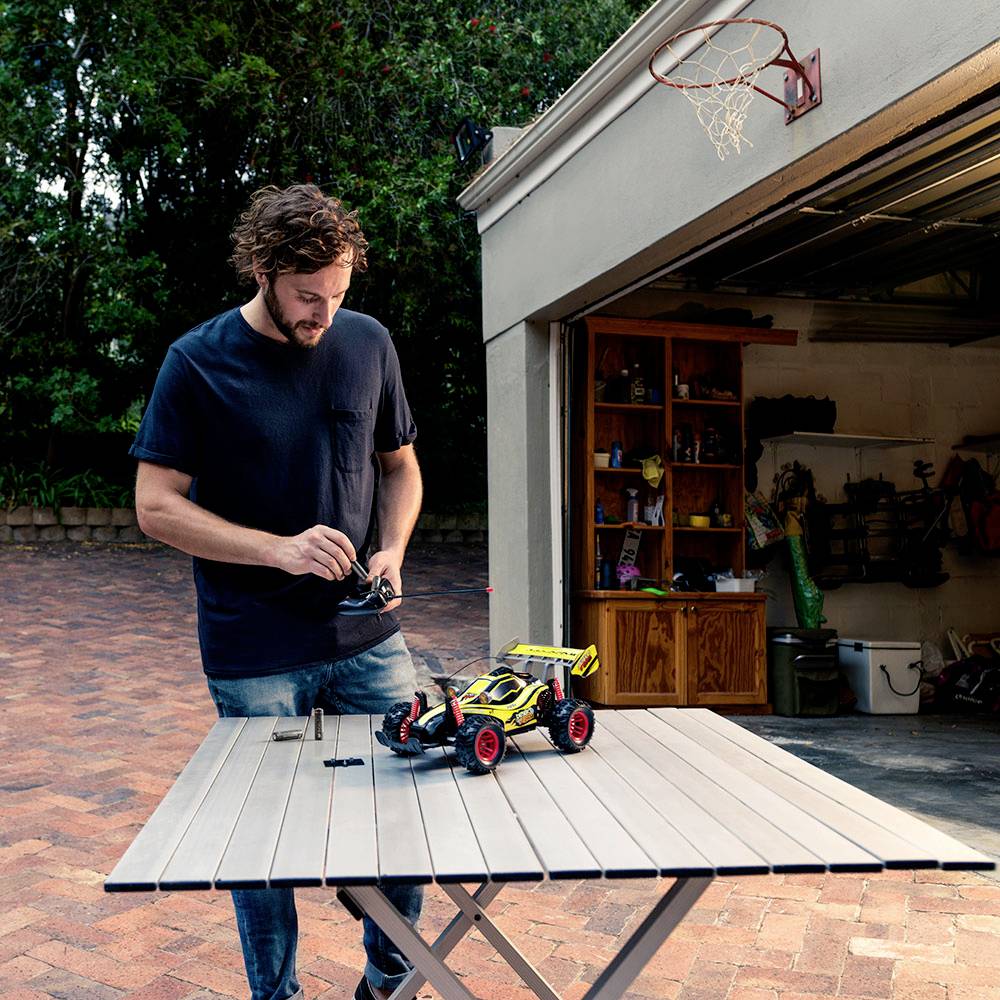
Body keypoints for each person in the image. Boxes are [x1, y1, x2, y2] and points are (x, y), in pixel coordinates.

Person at [130, 183, 423, 1000]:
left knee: (406, 816)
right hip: (254, 646)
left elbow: (401, 468)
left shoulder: (368, 342)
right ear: (261, 271)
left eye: (338, 293)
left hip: (366, 636)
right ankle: (278, 994)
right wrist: (278, 551)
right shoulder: (197, 361)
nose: (324, 314)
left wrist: (393, 548)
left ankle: (388, 983)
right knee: (262, 839)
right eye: (306, 296)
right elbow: (155, 507)